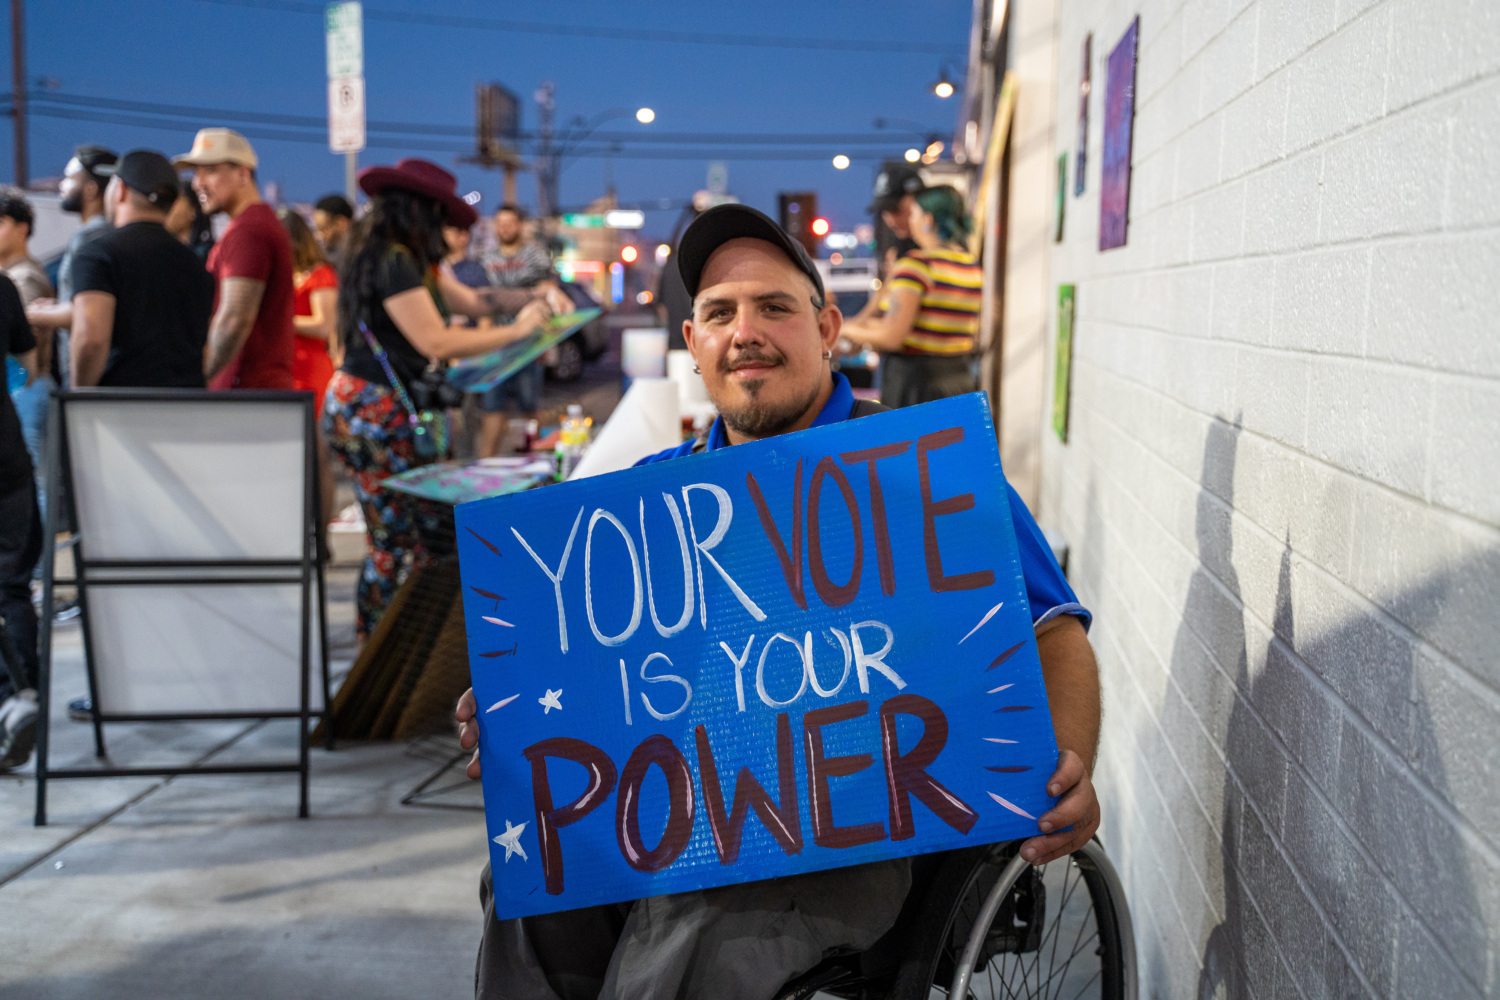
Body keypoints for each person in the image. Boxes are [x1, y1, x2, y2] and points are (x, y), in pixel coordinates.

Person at [455, 203, 1102, 1000]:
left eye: (774, 308)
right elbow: (590, 668)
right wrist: (517, 718)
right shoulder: (650, 493)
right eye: (719, 313)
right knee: (532, 890)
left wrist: (1069, 767)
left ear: (827, 328)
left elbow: (1053, 628)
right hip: (679, 803)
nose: (745, 331)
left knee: (697, 924)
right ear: (694, 345)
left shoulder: (920, 473)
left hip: (861, 833)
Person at [325, 159, 562, 640]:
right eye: (443, 218)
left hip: (387, 410)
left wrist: (533, 297)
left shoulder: (410, 261)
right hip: (375, 412)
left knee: (416, 536)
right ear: (422, 212)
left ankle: (404, 654)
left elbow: (474, 302)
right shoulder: (392, 260)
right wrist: (516, 333)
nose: (450, 230)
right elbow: (435, 340)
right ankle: (379, 661)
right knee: (394, 541)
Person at [68, 150, 216, 389]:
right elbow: (205, 347)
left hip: (122, 409)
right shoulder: (197, 266)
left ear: (121, 190)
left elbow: (91, 341)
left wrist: (78, 398)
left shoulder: (98, 255)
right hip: (187, 407)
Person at [175, 127, 296, 390]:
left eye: (210, 171)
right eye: (196, 173)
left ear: (243, 173)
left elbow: (234, 318)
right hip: (248, 392)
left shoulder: (250, 230)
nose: (197, 183)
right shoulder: (246, 226)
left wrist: (197, 380)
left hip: (248, 393)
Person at [841, 185, 983, 407]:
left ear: (927, 219)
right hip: (960, 382)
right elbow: (928, 325)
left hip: (916, 386)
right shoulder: (970, 265)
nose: (912, 221)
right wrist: (865, 328)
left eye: (914, 214)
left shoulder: (918, 265)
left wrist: (846, 328)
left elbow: (893, 336)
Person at [24, 146, 116, 391]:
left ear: (90, 189)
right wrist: (55, 308)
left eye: (69, 178)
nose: (61, 186)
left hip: (87, 380)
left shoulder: (92, 238)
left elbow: (86, 314)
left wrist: (35, 315)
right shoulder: (104, 235)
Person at [0, 272, 41, 771]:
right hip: (5, 449)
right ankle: (21, 696)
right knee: (11, 586)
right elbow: (28, 368)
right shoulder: (4, 286)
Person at [0, 187, 56, 541]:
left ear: (22, 228)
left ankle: (39, 574)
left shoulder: (24, 278)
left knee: (32, 481)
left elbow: (25, 351)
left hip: (27, 388)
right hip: (22, 388)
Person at [476, 204, 553, 458]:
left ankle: (535, 463)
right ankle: (487, 465)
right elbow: (480, 303)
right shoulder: (486, 259)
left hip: (529, 344)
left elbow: (548, 292)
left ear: (520, 225)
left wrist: (546, 341)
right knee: (492, 407)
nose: (504, 228)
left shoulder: (536, 255)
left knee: (530, 406)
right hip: (495, 346)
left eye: (509, 222)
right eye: (500, 223)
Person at [313, 193, 354, 267]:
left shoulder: (360, 256)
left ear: (340, 223)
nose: (319, 236)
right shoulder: (327, 255)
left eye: (323, 229)